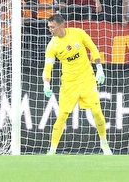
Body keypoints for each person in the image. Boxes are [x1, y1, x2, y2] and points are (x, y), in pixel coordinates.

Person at [42, 12, 112, 155]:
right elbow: (47, 67)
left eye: (52, 27)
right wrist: (46, 84)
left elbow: (93, 48)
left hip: (87, 79)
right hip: (69, 83)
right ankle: (52, 150)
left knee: (97, 113)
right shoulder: (52, 46)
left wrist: (99, 69)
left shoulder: (78, 33)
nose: (50, 30)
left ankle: (104, 144)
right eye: (49, 27)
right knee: (61, 116)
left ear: (62, 26)